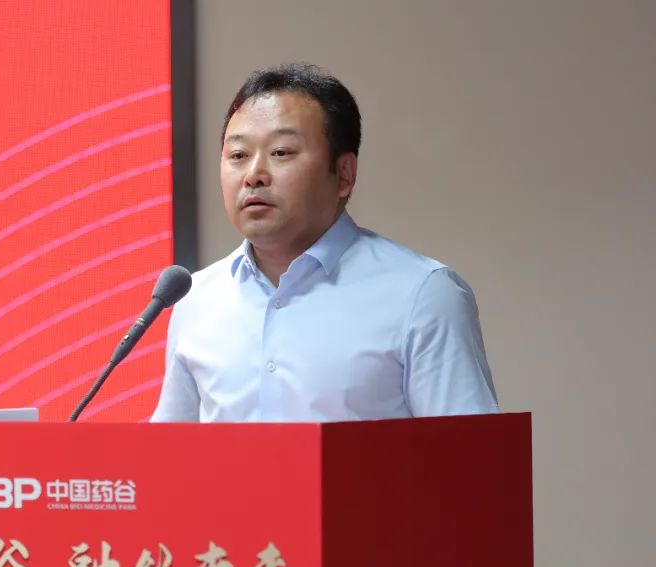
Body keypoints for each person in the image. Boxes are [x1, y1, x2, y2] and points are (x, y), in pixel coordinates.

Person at [152, 63, 498, 422]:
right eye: (238, 155)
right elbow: (166, 450)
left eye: (281, 152)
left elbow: (471, 453)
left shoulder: (422, 295)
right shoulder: (196, 300)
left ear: (344, 175)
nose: (253, 175)